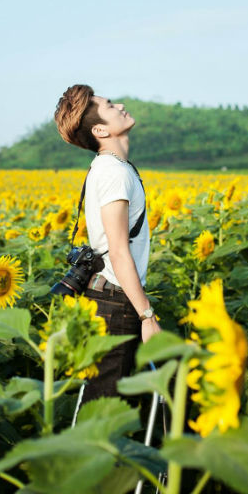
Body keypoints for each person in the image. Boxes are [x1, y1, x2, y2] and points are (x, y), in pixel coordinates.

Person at [54, 84, 161, 402]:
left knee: (111, 406)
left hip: (111, 298)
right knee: (103, 413)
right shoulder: (114, 172)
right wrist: (147, 316)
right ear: (100, 129)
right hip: (116, 304)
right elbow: (117, 250)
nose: (122, 105)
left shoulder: (108, 167)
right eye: (111, 105)